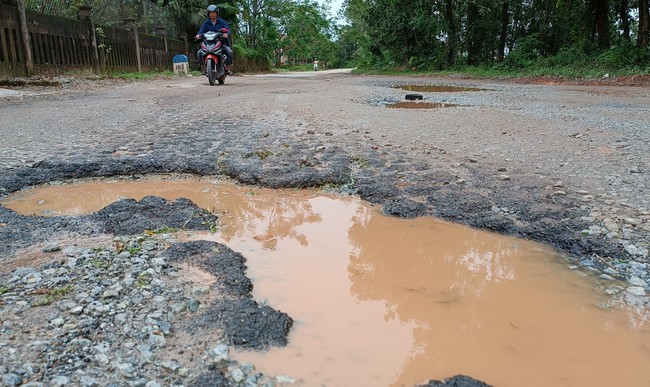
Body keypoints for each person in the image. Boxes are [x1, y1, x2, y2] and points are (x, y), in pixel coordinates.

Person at [195, 5, 233, 75]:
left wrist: (226, 34)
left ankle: (227, 68)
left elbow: (228, 30)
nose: (212, 14)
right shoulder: (206, 23)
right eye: (210, 13)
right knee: (199, 53)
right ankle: (204, 67)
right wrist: (198, 35)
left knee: (229, 52)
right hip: (208, 44)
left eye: (214, 12)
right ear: (208, 14)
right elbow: (201, 31)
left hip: (221, 44)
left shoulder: (222, 22)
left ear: (217, 13)